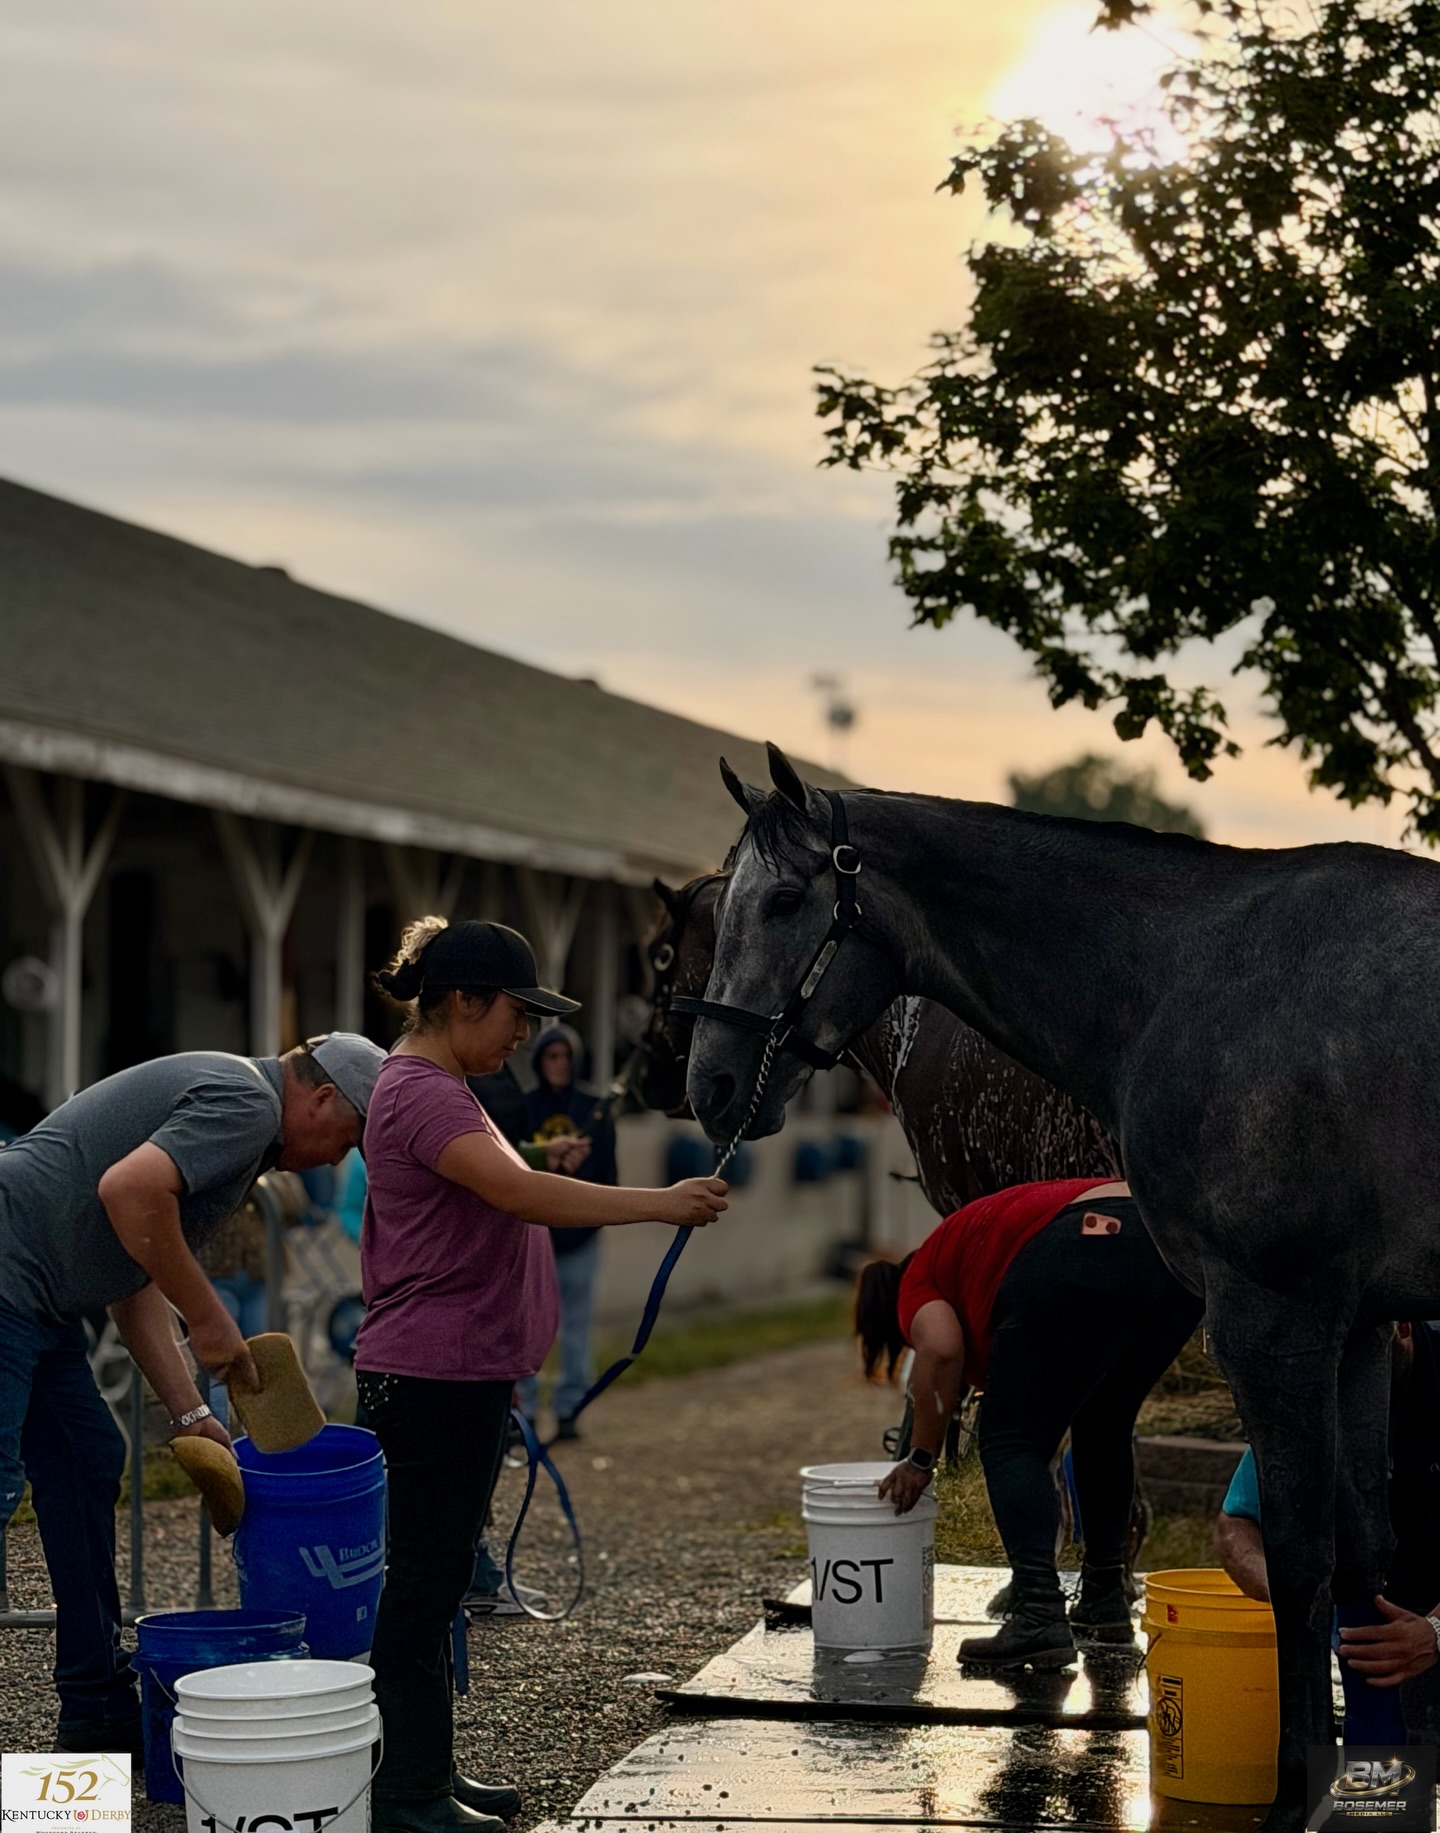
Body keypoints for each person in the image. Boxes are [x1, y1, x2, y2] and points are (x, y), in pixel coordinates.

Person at [356, 916, 728, 1833]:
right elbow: (517, 1194)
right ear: (462, 1002)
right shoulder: (426, 1091)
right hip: (431, 1378)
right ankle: (407, 1792)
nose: (525, 1033)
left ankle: (425, 1768)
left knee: (438, 1582)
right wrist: (660, 1201)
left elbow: (499, 1181)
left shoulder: (447, 1086)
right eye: (516, 1013)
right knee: (421, 1584)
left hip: (457, 1375)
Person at [0, 1031, 384, 1753]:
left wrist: (192, 1411)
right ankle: (93, 1705)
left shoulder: (245, 1126)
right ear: (324, 1096)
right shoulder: (246, 1101)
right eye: (350, 1135)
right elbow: (129, 1190)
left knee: (87, 1459)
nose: (342, 1157)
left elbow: (132, 1268)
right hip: (9, 1277)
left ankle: (94, 1713)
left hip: (35, 1295)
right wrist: (208, 1314)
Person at [856, 1177, 1202, 1668]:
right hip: (1173, 1242)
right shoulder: (967, 1243)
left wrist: (919, 1459)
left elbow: (940, 1349)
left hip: (1083, 1242)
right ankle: (1104, 1598)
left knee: (1012, 1441)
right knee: (1103, 1425)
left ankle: (1038, 1614)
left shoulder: (919, 1277)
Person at [1216, 1322, 1440, 1742]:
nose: (1347, 1390)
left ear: (1402, 1325)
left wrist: (1435, 1633)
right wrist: (1299, 1595)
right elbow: (1235, 1528)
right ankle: (1375, 1804)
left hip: (1428, 1628)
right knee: (1380, 1787)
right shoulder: (1318, 1397)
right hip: (1377, 1641)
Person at [516, 1024, 617, 1440]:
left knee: (577, 1328)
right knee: (527, 1328)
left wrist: (589, 1215)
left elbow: (608, 1175)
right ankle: (524, 1411)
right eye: (550, 1057)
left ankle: (571, 1407)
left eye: (564, 1057)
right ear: (539, 1062)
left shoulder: (595, 1109)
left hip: (581, 1236)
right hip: (536, 1236)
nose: (558, 1065)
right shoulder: (524, 1107)